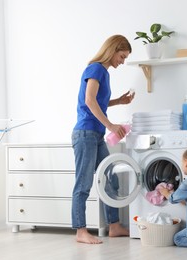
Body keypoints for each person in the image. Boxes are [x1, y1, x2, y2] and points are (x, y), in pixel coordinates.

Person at [71, 35, 135, 244]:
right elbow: (89, 100)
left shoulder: (104, 73)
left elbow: (99, 100)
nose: (122, 61)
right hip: (86, 134)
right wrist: (111, 126)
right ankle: (81, 232)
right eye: (122, 56)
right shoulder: (96, 68)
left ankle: (114, 226)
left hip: (96, 135)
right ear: (113, 50)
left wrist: (120, 101)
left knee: (111, 177)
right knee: (83, 183)